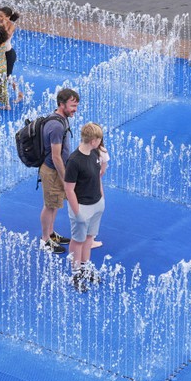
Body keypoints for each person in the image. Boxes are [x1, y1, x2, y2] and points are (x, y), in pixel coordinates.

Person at [64, 123, 105, 292]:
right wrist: (77, 212)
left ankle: (85, 267)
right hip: (81, 206)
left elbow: (97, 176)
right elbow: (68, 189)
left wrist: (102, 197)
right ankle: (75, 273)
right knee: (78, 240)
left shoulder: (95, 153)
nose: (101, 141)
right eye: (100, 139)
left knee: (89, 238)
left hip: (96, 203)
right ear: (93, 140)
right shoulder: (74, 161)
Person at [39, 88, 80, 254]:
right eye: (72, 106)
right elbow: (56, 156)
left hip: (57, 169)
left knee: (55, 203)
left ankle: (51, 233)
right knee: (49, 205)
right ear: (61, 104)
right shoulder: (56, 126)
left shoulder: (61, 119)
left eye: (76, 106)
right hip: (53, 170)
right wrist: (65, 178)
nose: (75, 109)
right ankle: (44, 240)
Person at [0, 7, 25, 103]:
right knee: (1, 75)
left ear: (8, 17)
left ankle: (19, 94)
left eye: (1, 16)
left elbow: (6, 36)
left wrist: (4, 25)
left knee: (7, 76)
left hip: (9, 54)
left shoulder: (11, 25)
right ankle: (2, 96)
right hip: (0, 54)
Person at [90, 140, 109, 250]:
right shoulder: (102, 151)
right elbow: (102, 171)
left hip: (82, 183)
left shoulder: (82, 150)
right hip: (95, 183)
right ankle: (90, 240)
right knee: (97, 209)